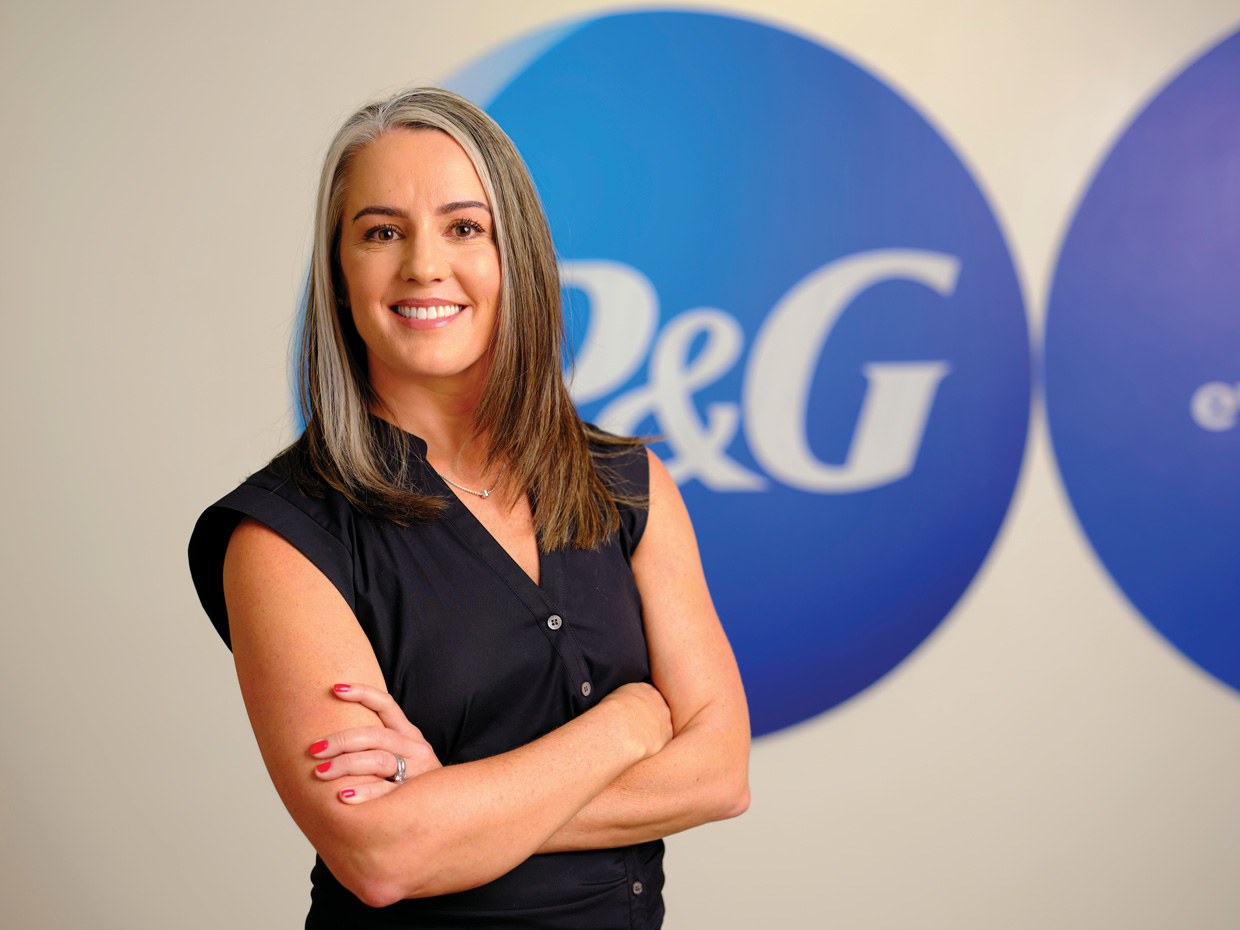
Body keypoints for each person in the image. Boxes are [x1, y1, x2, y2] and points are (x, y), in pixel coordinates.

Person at [188, 86, 750, 929]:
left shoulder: (627, 482)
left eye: (463, 228)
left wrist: (450, 807)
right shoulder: (281, 538)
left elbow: (720, 773)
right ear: (339, 276)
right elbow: (382, 855)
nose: (423, 265)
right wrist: (630, 724)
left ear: (514, 255)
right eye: (382, 232)